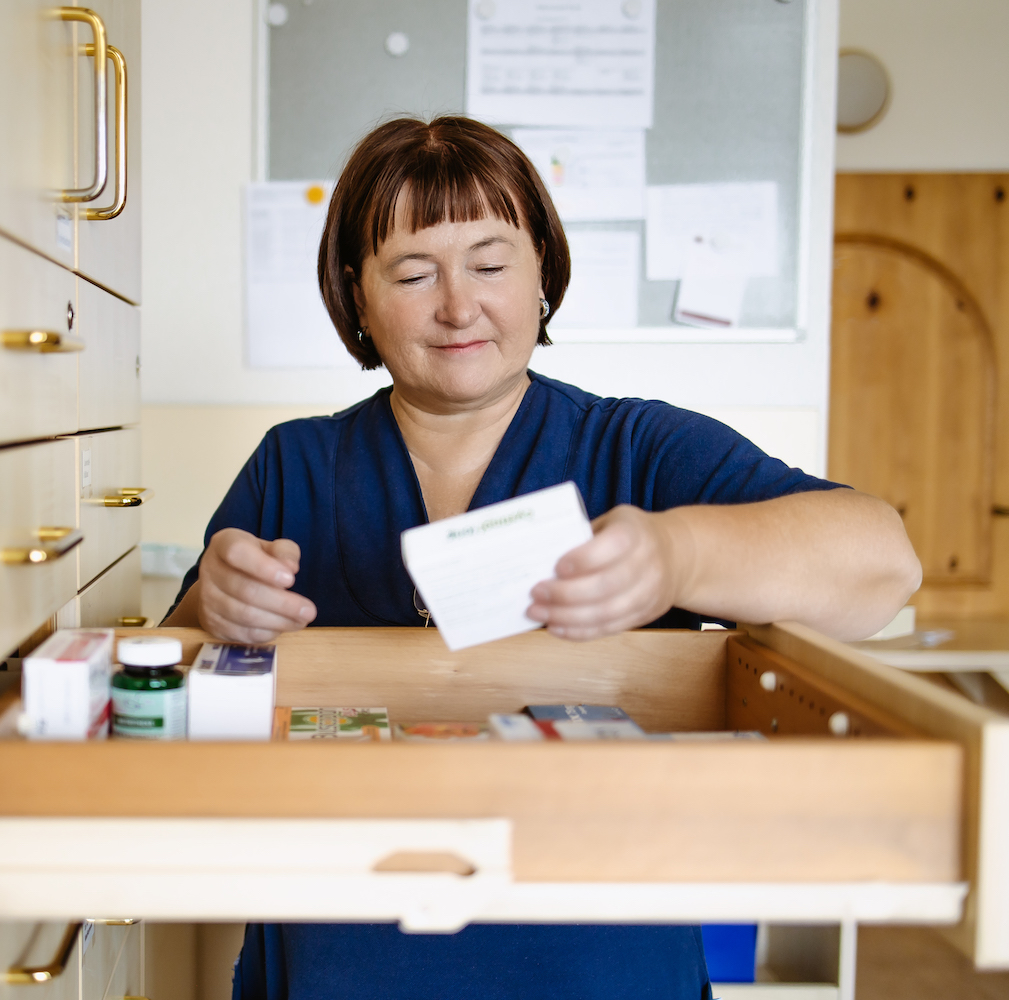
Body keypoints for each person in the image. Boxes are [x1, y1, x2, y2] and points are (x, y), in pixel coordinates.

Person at [163, 117, 920, 999]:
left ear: (543, 276)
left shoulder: (636, 447)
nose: (458, 305)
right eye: (413, 274)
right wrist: (206, 610)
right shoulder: (293, 465)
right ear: (357, 296)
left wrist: (678, 554)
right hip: (341, 957)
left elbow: (883, 565)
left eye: (491, 264)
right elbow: (155, 675)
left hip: (602, 956)